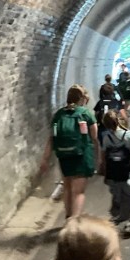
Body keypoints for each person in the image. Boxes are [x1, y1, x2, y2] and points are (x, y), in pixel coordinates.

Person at [40, 85, 99, 219]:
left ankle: (68, 217)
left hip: (64, 156)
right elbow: (94, 137)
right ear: (82, 98)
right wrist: (98, 156)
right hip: (82, 156)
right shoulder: (86, 113)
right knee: (78, 192)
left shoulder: (59, 114)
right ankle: (74, 222)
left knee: (67, 188)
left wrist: (45, 158)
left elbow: (52, 138)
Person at [100, 111, 130, 238]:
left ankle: (117, 216)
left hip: (113, 173)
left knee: (117, 196)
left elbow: (103, 157)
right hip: (127, 171)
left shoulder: (106, 137)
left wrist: (105, 171)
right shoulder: (128, 134)